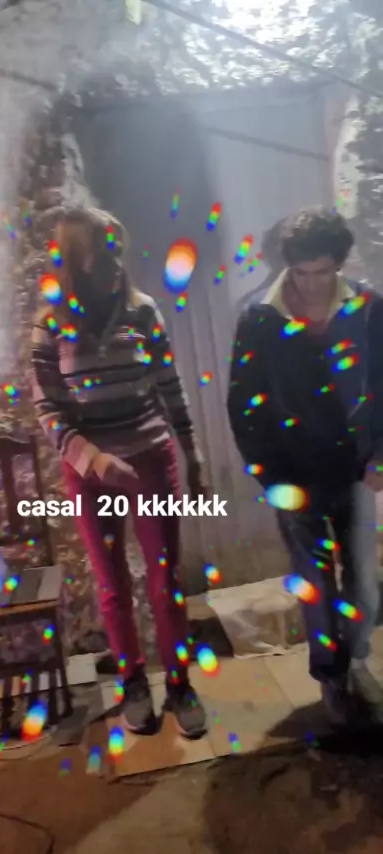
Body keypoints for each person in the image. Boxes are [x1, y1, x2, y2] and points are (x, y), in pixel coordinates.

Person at [30, 206, 207, 738]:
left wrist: (192, 452)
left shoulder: (143, 311)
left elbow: (169, 385)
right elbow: (48, 409)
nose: (113, 263)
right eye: (99, 254)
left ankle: (179, 683)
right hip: (90, 474)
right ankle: (133, 682)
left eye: (115, 252)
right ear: (73, 261)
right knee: (113, 587)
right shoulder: (50, 324)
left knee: (164, 581)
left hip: (151, 459)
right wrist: (93, 458)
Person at [227, 207, 383, 728]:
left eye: (323, 271)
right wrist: (270, 478)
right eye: (301, 272)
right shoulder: (259, 318)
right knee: (315, 583)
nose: (312, 284)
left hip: (357, 468)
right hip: (293, 475)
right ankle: (331, 677)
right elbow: (243, 405)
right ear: (288, 266)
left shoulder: (367, 307)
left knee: (363, 584)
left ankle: (355, 657)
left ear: (339, 262)